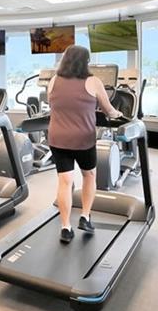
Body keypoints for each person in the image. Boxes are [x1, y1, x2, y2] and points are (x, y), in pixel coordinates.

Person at [46, 45, 123, 243]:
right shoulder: (94, 82)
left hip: (57, 139)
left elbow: (52, 104)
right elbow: (109, 111)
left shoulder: (54, 81)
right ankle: (85, 217)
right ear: (86, 62)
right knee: (89, 176)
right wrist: (119, 115)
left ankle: (65, 227)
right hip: (83, 140)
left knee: (65, 182)